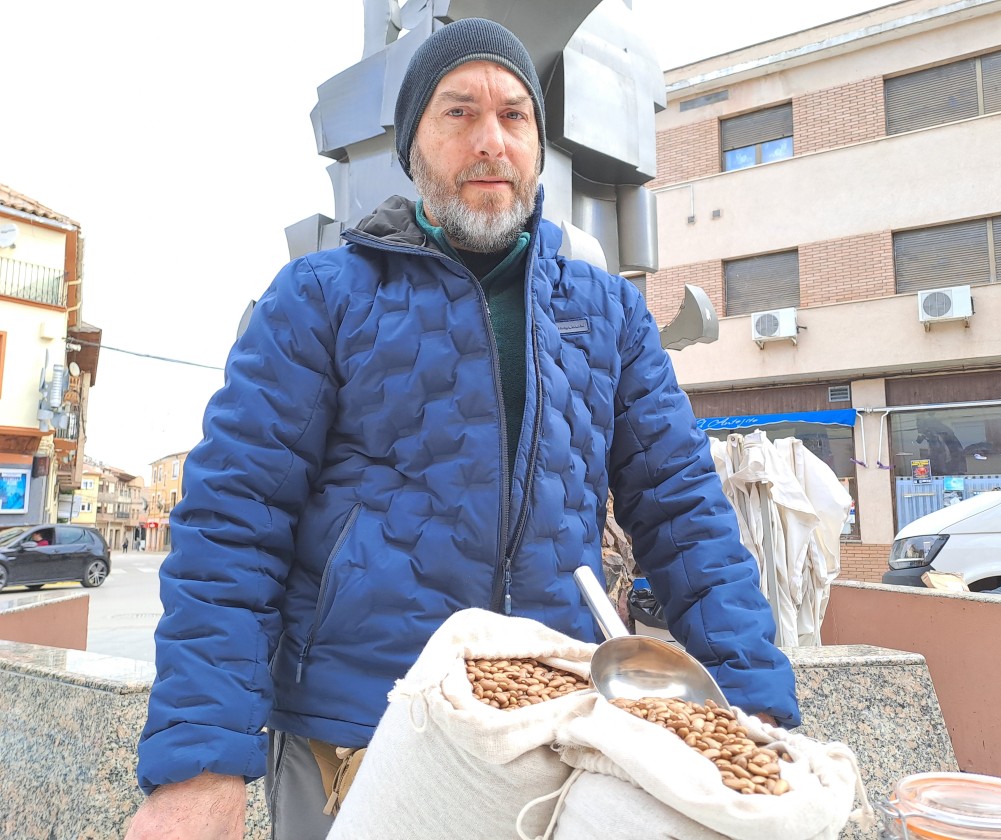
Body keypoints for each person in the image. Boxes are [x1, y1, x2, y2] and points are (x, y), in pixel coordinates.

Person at [125, 18, 799, 840]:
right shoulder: (319, 298)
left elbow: (687, 515)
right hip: (354, 736)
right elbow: (233, 526)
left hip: (549, 729)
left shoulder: (610, 315)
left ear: (538, 146)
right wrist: (200, 767)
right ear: (414, 148)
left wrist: (757, 715)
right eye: (459, 113)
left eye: (515, 117)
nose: (491, 141)